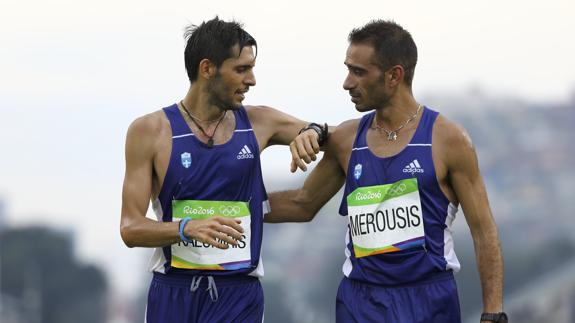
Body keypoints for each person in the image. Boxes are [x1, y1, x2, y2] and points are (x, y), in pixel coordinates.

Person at [267, 20, 506, 323]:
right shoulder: (347, 139)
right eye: (348, 69)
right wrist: (237, 208)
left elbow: (484, 231)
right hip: (361, 301)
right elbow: (302, 203)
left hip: (429, 302)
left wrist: (493, 313)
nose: (347, 83)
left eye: (359, 72)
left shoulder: (449, 140)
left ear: (394, 75)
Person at [120, 17, 326, 323]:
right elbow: (130, 228)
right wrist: (185, 228)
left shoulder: (259, 121)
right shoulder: (150, 131)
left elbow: (333, 136)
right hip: (173, 293)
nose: (252, 80)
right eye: (241, 69)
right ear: (207, 69)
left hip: (238, 294)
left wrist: (312, 132)